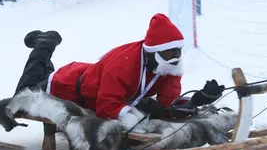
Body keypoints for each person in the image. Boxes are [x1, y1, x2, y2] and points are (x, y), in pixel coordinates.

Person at [12, 13, 224, 129]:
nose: (176, 58)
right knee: (22, 95)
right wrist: (141, 110)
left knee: (43, 74)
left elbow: (167, 106)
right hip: (65, 85)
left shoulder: (169, 66)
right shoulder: (123, 63)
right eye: (170, 53)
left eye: (178, 51)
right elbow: (105, 108)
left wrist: (196, 101)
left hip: (93, 81)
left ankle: (45, 49)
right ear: (153, 52)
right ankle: (45, 43)